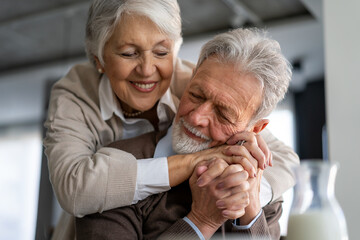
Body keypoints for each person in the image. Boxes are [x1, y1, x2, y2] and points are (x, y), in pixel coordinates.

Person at [43, 0, 299, 239]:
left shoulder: (192, 78)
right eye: (129, 53)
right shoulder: (75, 96)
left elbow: (285, 160)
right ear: (99, 60)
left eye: (161, 52)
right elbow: (75, 189)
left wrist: (244, 196)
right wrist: (194, 166)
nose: (146, 69)